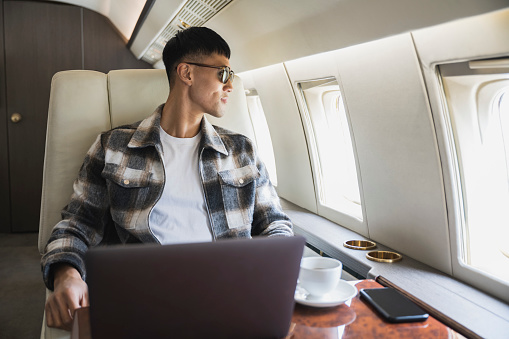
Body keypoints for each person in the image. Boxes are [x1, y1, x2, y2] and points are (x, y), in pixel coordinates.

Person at [41, 27, 293, 331]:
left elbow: (274, 223)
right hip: (141, 300)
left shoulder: (241, 150)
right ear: (186, 72)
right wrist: (66, 275)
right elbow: (78, 224)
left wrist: (274, 278)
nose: (231, 86)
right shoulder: (114, 147)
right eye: (224, 73)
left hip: (227, 296)